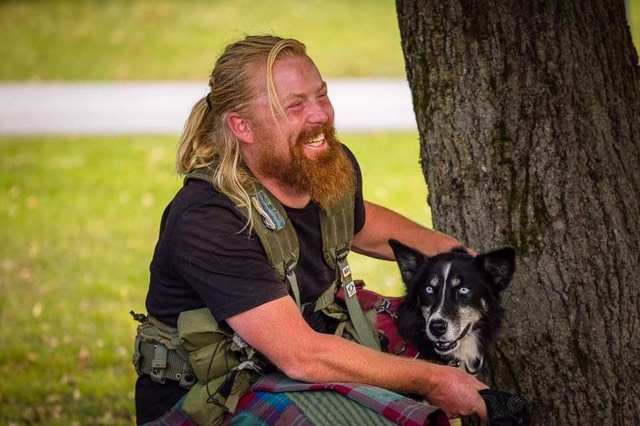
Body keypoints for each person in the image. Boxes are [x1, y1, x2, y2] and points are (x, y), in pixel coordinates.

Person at [134, 34, 489, 425]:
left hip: (294, 361)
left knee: (442, 327)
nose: (320, 115)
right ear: (242, 126)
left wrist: (458, 257)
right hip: (214, 397)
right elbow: (301, 355)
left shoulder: (321, 165)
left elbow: (356, 221)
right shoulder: (208, 219)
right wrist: (435, 380)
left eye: (322, 95)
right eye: (295, 105)